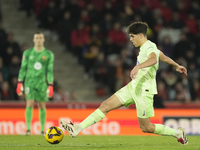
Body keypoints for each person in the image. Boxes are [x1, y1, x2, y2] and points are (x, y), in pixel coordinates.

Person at [60, 22, 188, 145]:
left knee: (146, 127)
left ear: (141, 35)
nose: (131, 39)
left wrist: (138, 67)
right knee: (105, 105)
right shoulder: (149, 46)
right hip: (133, 86)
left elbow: (154, 59)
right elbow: (163, 57)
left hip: (144, 91)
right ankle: (77, 128)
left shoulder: (149, 47)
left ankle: (178, 134)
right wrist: (177, 65)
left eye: (132, 36)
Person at [16, 32, 54, 135]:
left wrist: (50, 84)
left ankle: (42, 130)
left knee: (42, 105)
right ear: (33, 40)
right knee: (30, 103)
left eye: (40, 38)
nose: (38, 40)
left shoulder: (48, 54)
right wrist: (20, 81)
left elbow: (49, 70)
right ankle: (28, 130)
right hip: (30, 82)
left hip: (41, 83)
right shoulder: (27, 53)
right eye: (36, 38)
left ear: (43, 40)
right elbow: (23, 68)